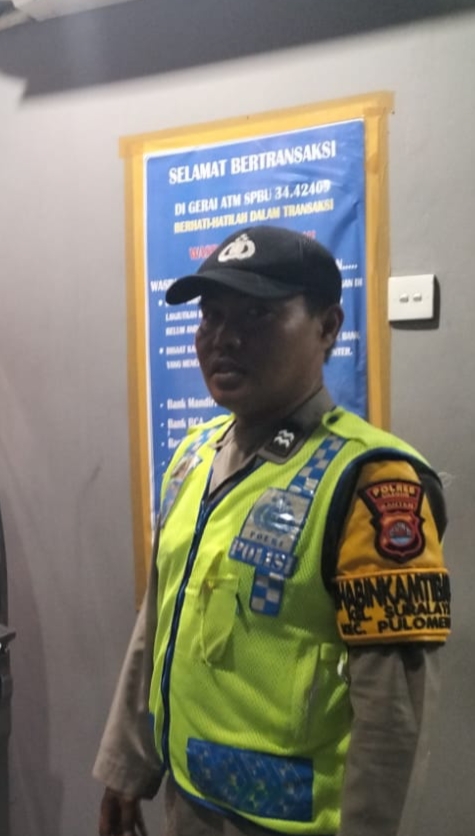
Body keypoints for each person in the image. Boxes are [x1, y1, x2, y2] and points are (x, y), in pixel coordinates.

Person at [93, 225, 450, 836]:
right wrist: (127, 767)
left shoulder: (372, 484)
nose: (224, 337)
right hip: (188, 805)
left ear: (327, 326)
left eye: (257, 314)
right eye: (211, 315)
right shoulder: (194, 456)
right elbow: (158, 621)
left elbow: (393, 717)